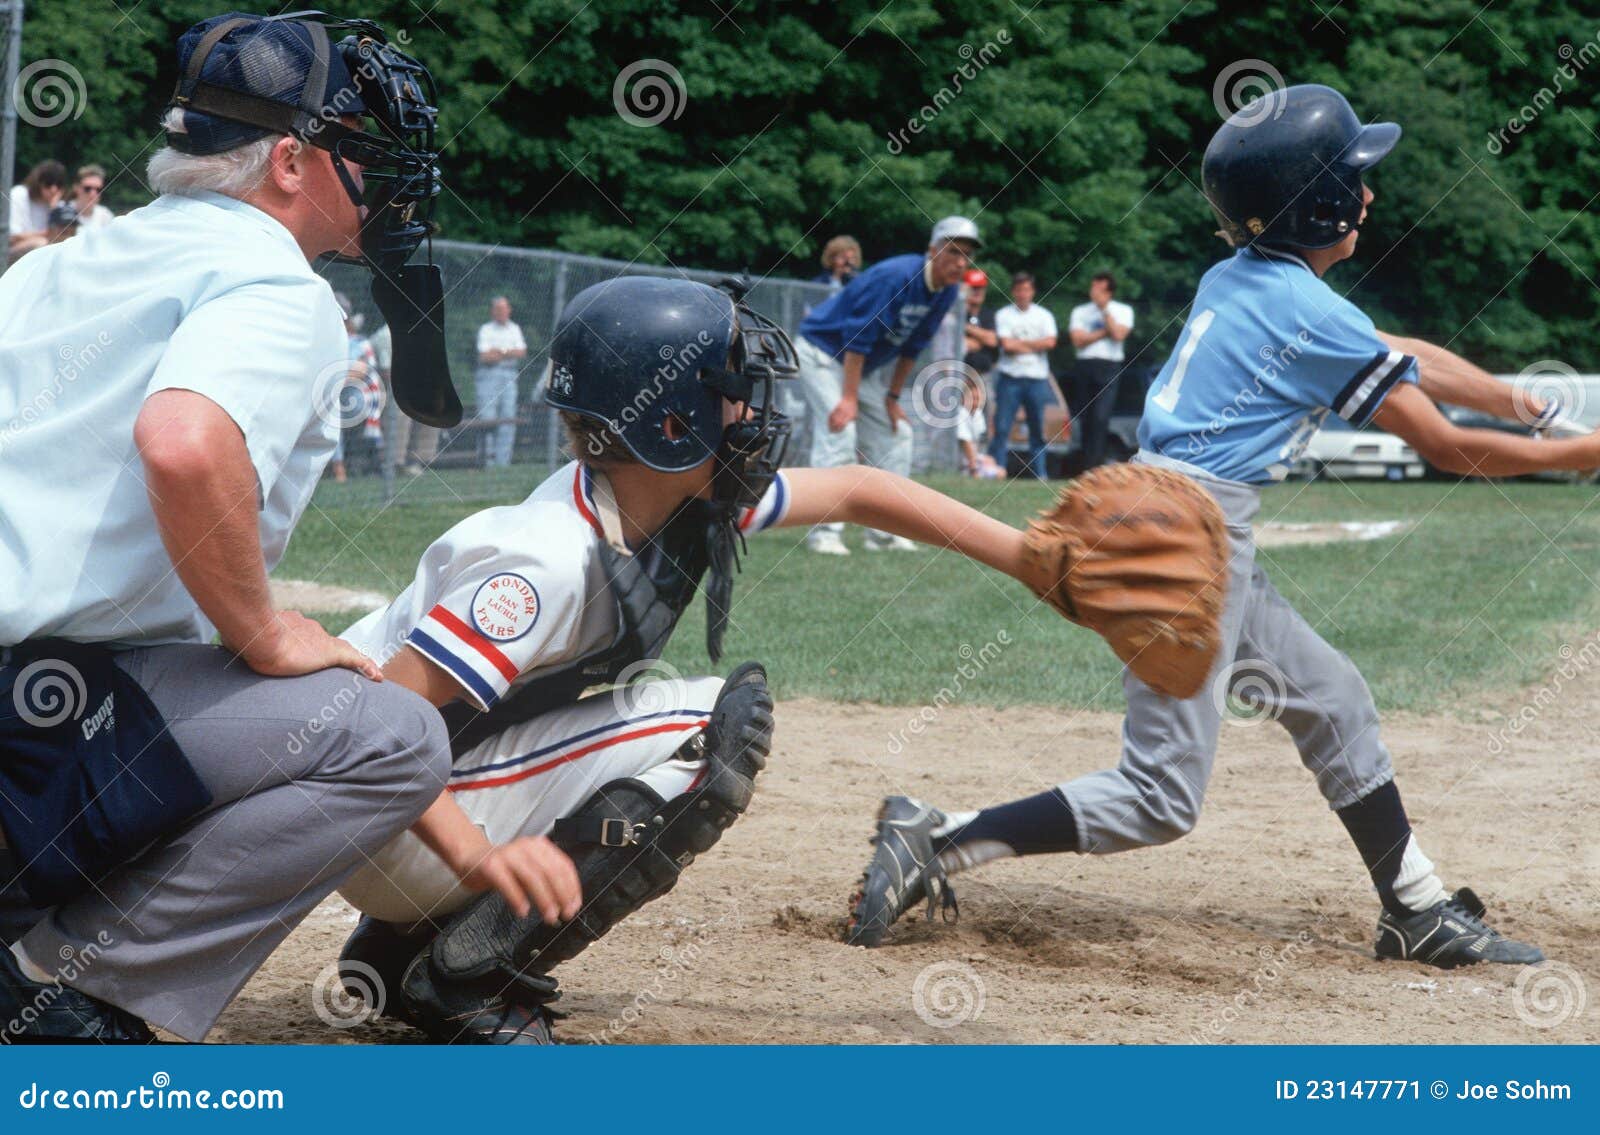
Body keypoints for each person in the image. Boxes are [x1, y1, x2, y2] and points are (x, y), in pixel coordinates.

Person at [847, 84, 1600, 970]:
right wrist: (1581, 451)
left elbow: (1398, 351)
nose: (1369, 193)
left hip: (1174, 511)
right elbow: (1444, 445)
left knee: (1333, 699)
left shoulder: (1246, 276)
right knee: (1160, 794)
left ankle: (1416, 906)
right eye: (1354, 178)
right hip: (1185, 537)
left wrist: (1524, 400)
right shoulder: (1310, 310)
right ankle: (937, 840)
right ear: (1317, 202)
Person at [329, 275, 1065, 1043]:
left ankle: (400, 953)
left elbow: (856, 489)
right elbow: (377, 728)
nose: (754, 412)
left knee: (664, 718)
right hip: (380, 814)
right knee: (708, 725)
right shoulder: (548, 559)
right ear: (672, 424)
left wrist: (1034, 562)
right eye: (735, 392)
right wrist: (475, 857)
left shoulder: (656, 491)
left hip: (401, 815)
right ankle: (465, 982)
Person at [0, 12, 456, 1043]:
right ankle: (72, 993)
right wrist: (262, 630)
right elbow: (184, 442)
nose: (385, 182)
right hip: (36, 718)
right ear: (290, 162)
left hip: (32, 702)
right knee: (388, 737)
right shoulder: (273, 283)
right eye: (362, 157)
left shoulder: (55, 266)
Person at [794, 215, 980, 554]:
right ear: (932, 250)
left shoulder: (947, 292)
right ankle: (824, 532)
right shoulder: (896, 277)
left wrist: (892, 398)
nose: (960, 261)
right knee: (840, 430)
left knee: (899, 435)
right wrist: (848, 400)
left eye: (967, 254)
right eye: (953, 251)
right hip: (821, 352)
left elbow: (913, 346)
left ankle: (883, 531)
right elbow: (858, 338)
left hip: (855, 366)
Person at [986, 272, 1060, 479]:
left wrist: (1021, 345)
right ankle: (997, 472)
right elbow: (1008, 346)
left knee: (1037, 430)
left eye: (1026, 289)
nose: (1022, 294)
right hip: (1010, 378)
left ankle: (1040, 475)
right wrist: (1036, 345)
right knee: (1001, 427)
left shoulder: (1044, 315)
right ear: (1013, 292)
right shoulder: (1003, 315)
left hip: (1036, 379)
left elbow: (1051, 343)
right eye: (1019, 290)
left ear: (1032, 292)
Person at [1067, 272, 1134, 469]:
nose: (1094, 293)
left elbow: (1118, 334)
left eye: (1099, 289)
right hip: (1085, 365)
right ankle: (1083, 464)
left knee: (1101, 416)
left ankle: (1095, 464)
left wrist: (1104, 311)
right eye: (1093, 288)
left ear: (1109, 292)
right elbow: (1078, 340)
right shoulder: (1080, 311)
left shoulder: (1123, 310)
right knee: (1086, 416)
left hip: (1109, 366)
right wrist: (1103, 332)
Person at [375, 320, 440, 476]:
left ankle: (419, 461)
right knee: (401, 411)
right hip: (385, 392)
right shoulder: (385, 336)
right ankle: (394, 463)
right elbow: (387, 374)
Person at [475, 296, 528, 467]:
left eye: (504, 309)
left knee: (508, 418)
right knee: (488, 418)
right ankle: (487, 462)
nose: (501, 312)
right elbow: (485, 356)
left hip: (510, 375)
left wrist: (499, 351)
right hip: (488, 375)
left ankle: (503, 462)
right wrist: (509, 352)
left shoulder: (514, 329)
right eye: (497, 309)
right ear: (492, 311)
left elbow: (522, 352)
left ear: (509, 310)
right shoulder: (486, 330)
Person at [6, 159, 66, 263]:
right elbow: (12, 237)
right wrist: (47, 234)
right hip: (11, 252)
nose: (54, 189)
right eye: (49, 183)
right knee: (41, 244)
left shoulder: (57, 205)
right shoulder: (19, 194)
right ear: (39, 182)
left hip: (44, 251)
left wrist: (53, 211)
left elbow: (61, 237)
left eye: (58, 185)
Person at [955, 373, 1004, 479]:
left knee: (998, 467)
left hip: (973, 457)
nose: (975, 402)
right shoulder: (961, 414)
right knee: (999, 473)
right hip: (961, 461)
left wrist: (982, 459)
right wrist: (974, 467)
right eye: (973, 398)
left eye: (978, 399)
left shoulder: (977, 414)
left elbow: (976, 442)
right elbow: (965, 442)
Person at [961, 267, 999, 380]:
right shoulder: (956, 313)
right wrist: (982, 338)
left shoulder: (988, 314)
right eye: (974, 288)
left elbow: (992, 340)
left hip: (985, 375)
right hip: (960, 375)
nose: (977, 291)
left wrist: (965, 327)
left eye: (981, 288)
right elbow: (959, 344)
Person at [70, 165, 115, 229]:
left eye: (98, 190)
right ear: (76, 187)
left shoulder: (106, 216)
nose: (93, 193)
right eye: (87, 189)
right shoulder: (61, 211)